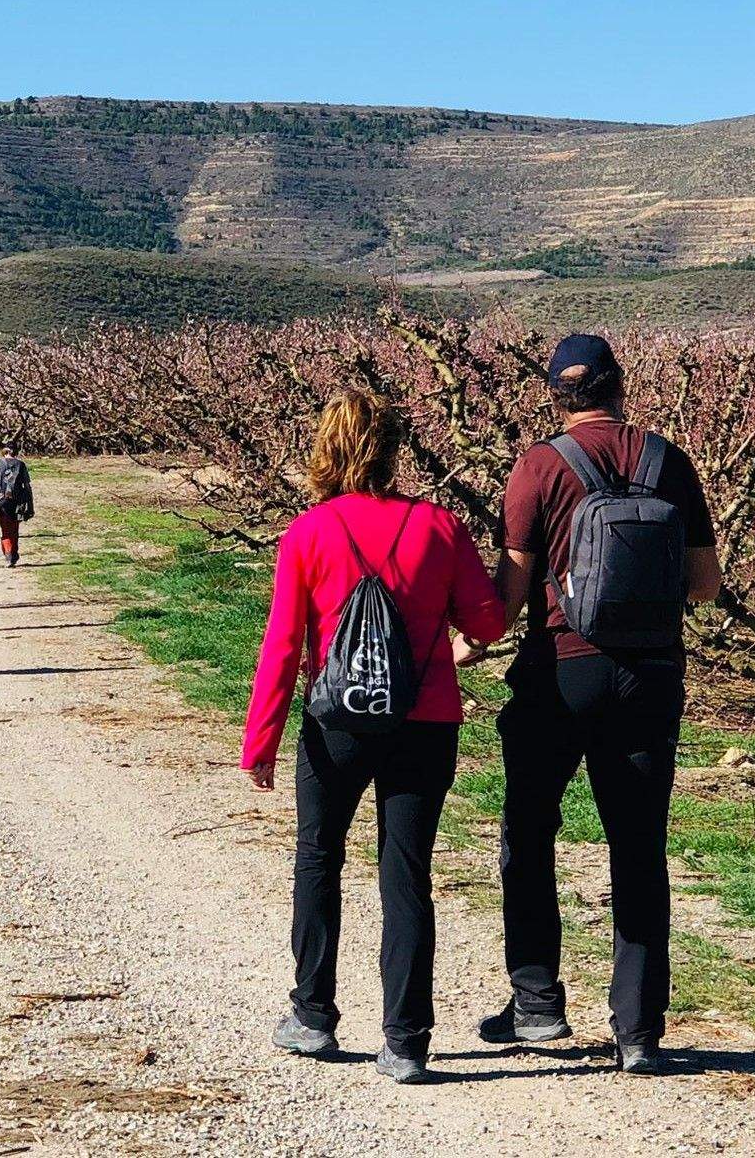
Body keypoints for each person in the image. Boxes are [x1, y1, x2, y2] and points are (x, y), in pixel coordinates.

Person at [455, 335, 722, 1077]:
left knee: (530, 828)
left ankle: (537, 1002)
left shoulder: (539, 467)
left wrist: (464, 641)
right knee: (639, 847)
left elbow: (507, 601)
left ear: (555, 394)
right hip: (649, 676)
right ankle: (638, 1031)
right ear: (620, 386)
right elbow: (705, 584)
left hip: (560, 672)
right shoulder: (669, 461)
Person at [241, 391, 506, 1085]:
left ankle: (313, 1015)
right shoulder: (441, 526)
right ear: (394, 451)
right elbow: (487, 623)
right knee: (406, 874)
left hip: (336, 725)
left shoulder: (309, 532)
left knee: (319, 858)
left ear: (326, 450)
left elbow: (282, 646)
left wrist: (261, 741)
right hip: (424, 723)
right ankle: (407, 1042)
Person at [0, 442, 35, 566]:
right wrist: (30, 503)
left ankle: (9, 554)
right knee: (14, 528)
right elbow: (27, 485)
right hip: (17, 501)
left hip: (2, 501)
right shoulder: (21, 465)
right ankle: (13, 553)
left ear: (5, 451)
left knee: (5, 528)